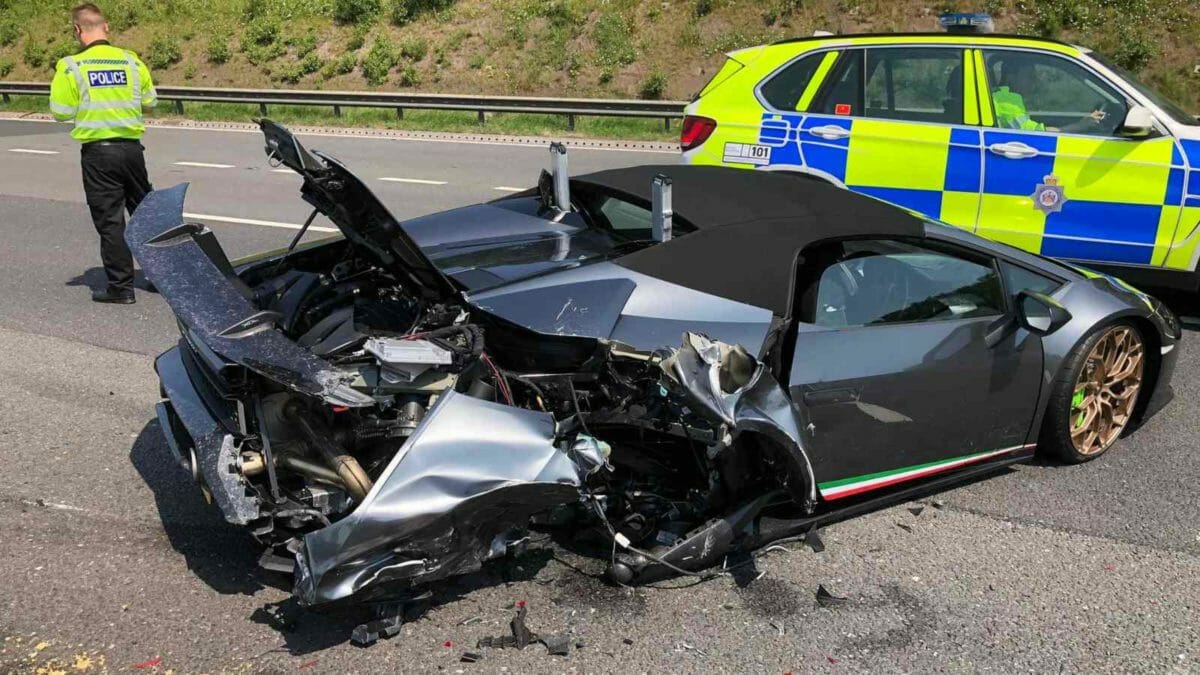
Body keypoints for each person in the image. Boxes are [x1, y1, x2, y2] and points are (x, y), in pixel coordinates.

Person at [50, 3, 157, 304]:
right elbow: (150, 100)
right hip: (133, 151)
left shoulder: (71, 66)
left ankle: (121, 289)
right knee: (145, 217)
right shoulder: (131, 61)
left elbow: (61, 112)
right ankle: (166, 279)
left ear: (77, 30)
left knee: (111, 221)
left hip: (99, 154)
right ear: (106, 27)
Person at [991, 59, 1107, 134]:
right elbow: (1037, 134)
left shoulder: (1006, 96)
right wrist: (1081, 125)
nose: (1034, 80)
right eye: (1029, 75)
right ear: (1011, 77)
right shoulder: (1005, 101)